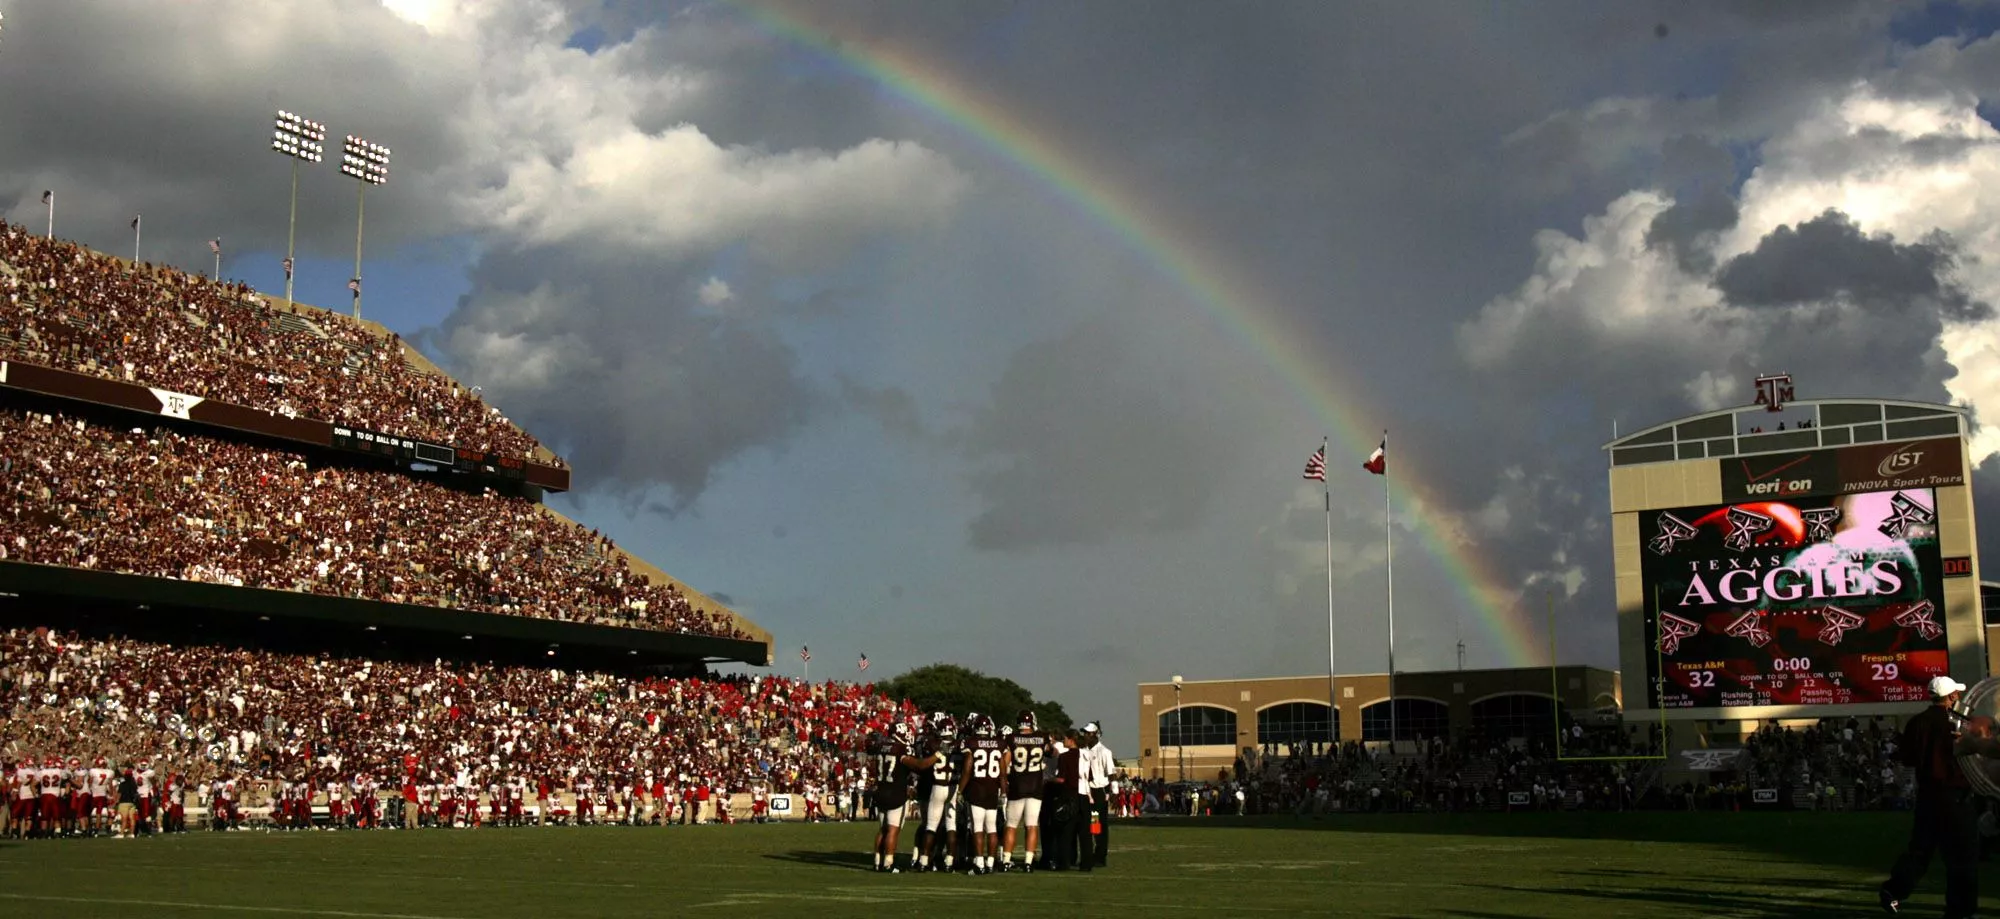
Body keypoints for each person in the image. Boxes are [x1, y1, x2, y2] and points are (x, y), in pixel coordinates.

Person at [1880, 676, 2000, 917]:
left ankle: (1894, 890)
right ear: (1952, 696)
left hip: (1927, 796)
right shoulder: (1960, 724)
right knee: (1963, 857)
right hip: (1956, 797)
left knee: (1920, 850)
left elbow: (1907, 758)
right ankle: (1961, 910)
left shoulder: (1916, 723)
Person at [1079, 721, 1115, 869]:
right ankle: (1096, 852)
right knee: (1094, 824)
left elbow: (1111, 773)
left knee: (1101, 824)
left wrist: (1113, 792)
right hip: (1089, 791)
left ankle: (1101, 855)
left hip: (1099, 791)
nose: (1085, 736)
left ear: (1094, 735)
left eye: (1088, 734)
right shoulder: (1085, 751)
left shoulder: (1105, 752)